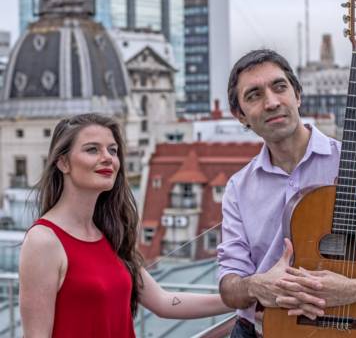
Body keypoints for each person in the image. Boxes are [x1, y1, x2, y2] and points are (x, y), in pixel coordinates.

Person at [217, 49, 356, 337]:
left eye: (280, 87)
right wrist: (257, 286)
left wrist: (352, 290)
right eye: (254, 95)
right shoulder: (237, 189)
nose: (272, 102)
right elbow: (229, 287)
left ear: (298, 95)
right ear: (240, 115)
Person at [19, 113, 231, 337]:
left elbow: (164, 302)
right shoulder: (44, 241)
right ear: (63, 162)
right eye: (92, 149)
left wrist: (242, 300)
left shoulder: (111, 233)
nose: (108, 158)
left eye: (112, 150)